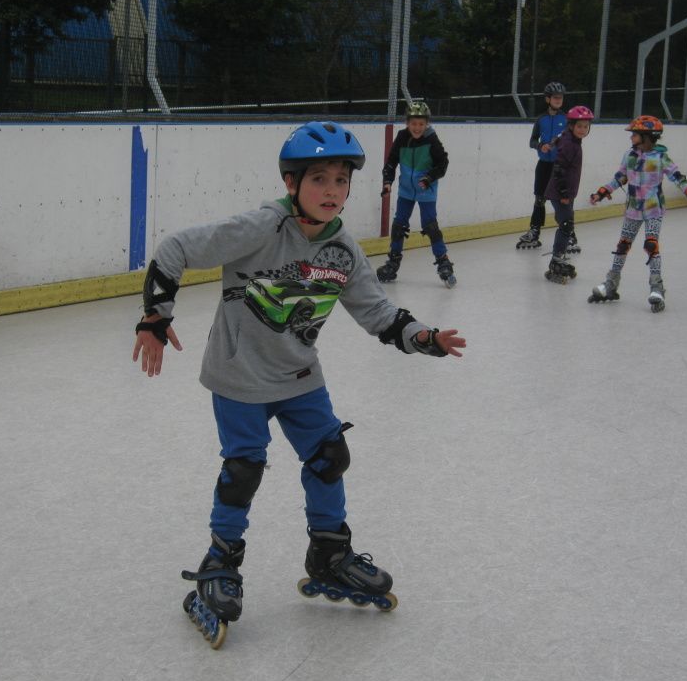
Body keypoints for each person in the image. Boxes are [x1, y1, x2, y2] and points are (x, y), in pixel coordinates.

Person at [132, 121, 466, 648]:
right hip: (239, 376)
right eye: (319, 179)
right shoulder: (260, 227)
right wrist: (155, 317)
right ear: (291, 183)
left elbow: (377, 313)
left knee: (330, 456)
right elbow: (174, 249)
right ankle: (220, 562)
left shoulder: (343, 250)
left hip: (300, 376)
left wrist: (423, 337)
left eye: (341, 180)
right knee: (244, 468)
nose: (332, 191)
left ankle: (329, 553)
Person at [588, 115, 687, 313]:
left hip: (653, 209)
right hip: (632, 209)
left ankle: (657, 289)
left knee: (651, 245)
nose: (631, 137)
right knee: (622, 246)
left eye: (635, 134)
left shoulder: (660, 157)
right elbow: (620, 178)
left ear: (647, 136)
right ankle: (610, 285)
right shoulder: (629, 155)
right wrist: (602, 192)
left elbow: (677, 176)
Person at [376, 101, 456, 287]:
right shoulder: (402, 137)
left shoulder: (431, 139)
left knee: (430, 225)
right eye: (413, 123)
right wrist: (387, 183)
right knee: (398, 225)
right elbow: (391, 161)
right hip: (406, 190)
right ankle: (393, 262)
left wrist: (429, 178)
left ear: (427, 123)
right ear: (407, 123)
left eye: (421, 124)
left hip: (426, 190)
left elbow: (443, 163)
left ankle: (443, 262)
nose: (417, 128)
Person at [518, 81, 579, 254]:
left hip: (561, 166)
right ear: (548, 99)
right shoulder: (541, 119)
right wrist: (540, 146)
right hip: (544, 165)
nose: (558, 100)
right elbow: (532, 141)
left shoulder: (567, 120)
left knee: (564, 201)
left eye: (561, 97)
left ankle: (570, 234)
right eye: (555, 97)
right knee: (539, 199)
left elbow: (574, 140)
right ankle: (534, 231)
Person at [543, 105, 594, 284]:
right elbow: (558, 168)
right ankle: (556, 260)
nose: (582, 130)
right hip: (560, 192)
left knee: (566, 224)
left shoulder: (569, 138)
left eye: (586, 127)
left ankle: (559, 257)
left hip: (564, 192)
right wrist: (564, 192)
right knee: (566, 225)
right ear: (571, 126)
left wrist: (552, 143)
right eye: (579, 126)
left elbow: (559, 137)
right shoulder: (570, 144)